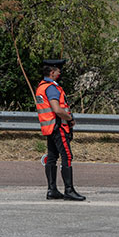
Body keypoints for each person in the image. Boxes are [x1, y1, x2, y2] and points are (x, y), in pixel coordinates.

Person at [35, 59, 85, 201]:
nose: (60, 73)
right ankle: (69, 190)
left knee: (52, 157)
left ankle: (52, 190)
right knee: (66, 156)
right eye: (58, 71)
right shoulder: (51, 88)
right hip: (58, 127)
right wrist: (70, 118)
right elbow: (57, 109)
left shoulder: (41, 86)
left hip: (49, 127)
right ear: (52, 73)